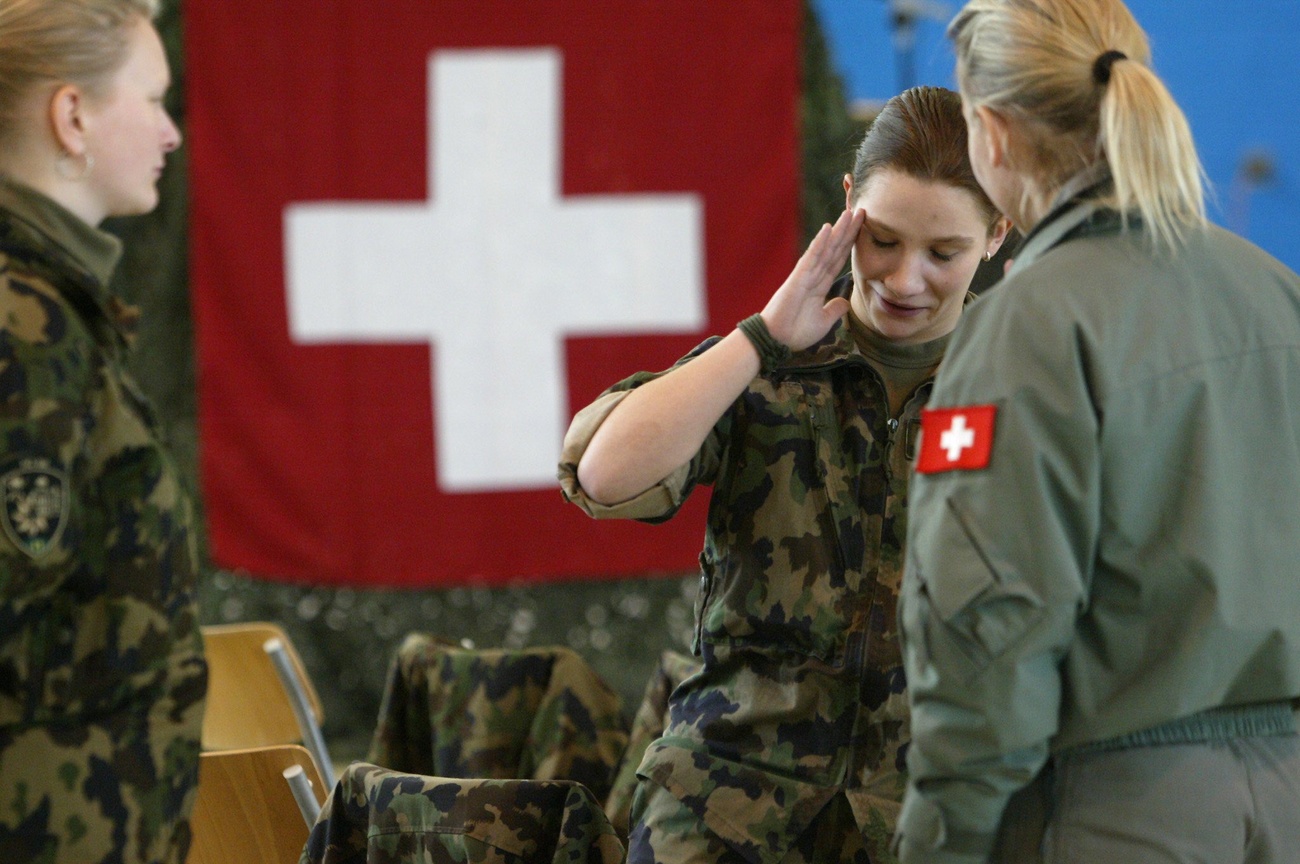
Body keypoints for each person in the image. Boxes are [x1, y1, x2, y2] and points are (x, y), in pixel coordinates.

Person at [558, 85, 1010, 863]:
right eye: (884, 241)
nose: (905, 281)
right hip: (727, 792)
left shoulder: (1021, 387)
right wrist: (762, 339)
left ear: (998, 234)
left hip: (929, 810)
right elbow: (605, 474)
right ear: (847, 209)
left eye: (944, 254)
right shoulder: (771, 364)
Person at [895, 1, 1300, 862]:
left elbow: (988, 623)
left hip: (1117, 815)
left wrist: (943, 838)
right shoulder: (1276, 293)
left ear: (992, 133)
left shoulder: (1023, 326)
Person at [0, 1, 206, 862]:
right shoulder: (25, 326)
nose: (171, 134)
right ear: (72, 116)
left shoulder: (56, 310)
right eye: (152, 100)